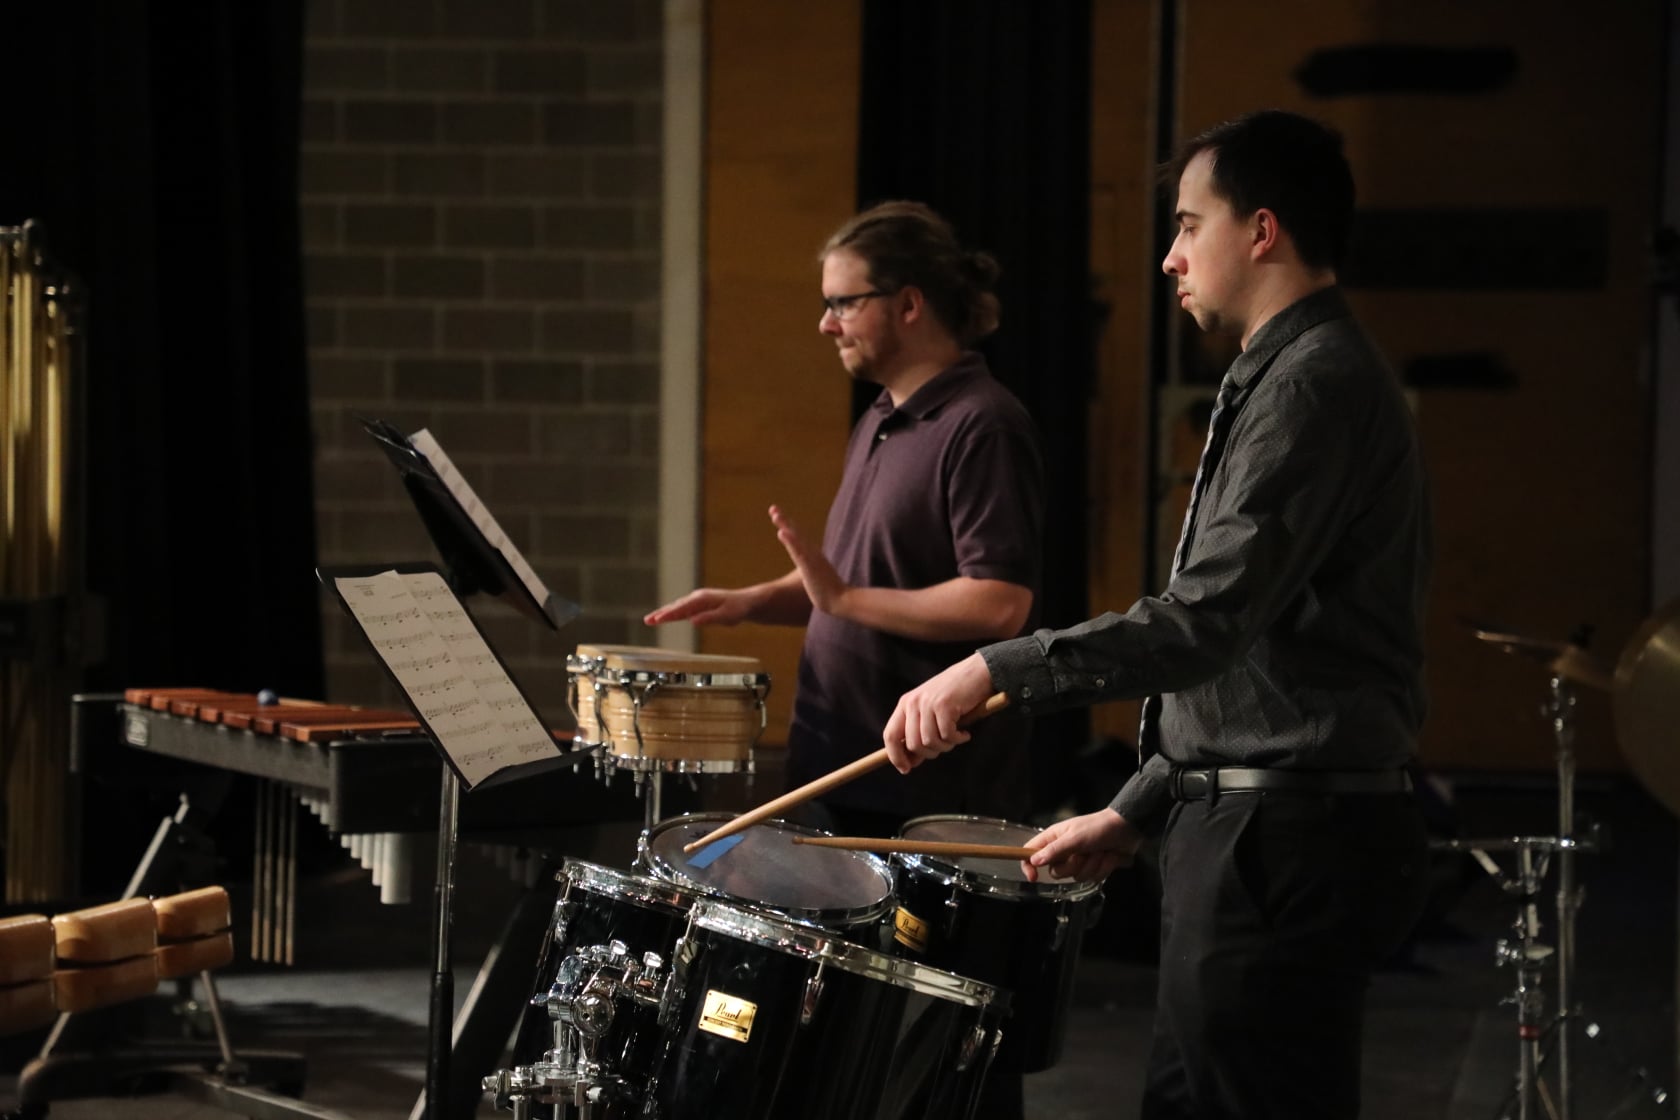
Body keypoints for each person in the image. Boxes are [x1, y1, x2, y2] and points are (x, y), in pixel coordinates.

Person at [882, 110, 1433, 1119]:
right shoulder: (1282, 374)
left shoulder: (1314, 385)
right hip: (1249, 824)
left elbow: (1205, 622)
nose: (1172, 257)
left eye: (1188, 224)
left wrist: (993, 670)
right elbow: (1249, 651)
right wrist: (1136, 807)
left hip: (1285, 839)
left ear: (1261, 231)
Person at [644, 200, 1045, 1119]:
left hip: (921, 789)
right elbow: (858, 581)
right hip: (842, 764)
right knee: (845, 1057)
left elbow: (1002, 600)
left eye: (842, 303)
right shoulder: (881, 418)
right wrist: (759, 600)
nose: (825, 323)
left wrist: (841, 600)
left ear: (908, 304)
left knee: (940, 1060)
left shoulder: (982, 423)